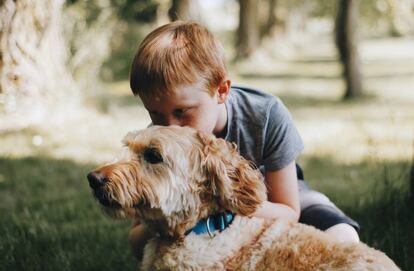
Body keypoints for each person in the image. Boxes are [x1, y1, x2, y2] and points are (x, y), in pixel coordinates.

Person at [128, 21, 360, 260]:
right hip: (197, 215)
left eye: (182, 111)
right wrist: (164, 217)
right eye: (155, 114)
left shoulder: (265, 115)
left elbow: (289, 211)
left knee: (343, 236)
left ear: (221, 91)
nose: (169, 127)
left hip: (272, 197)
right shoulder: (157, 146)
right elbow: (136, 241)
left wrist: (221, 203)